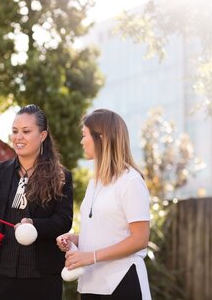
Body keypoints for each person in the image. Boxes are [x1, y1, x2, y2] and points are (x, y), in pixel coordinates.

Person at [0, 104, 73, 300]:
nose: (18, 137)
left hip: (42, 276)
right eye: (15, 131)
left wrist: (34, 224)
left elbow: (63, 221)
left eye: (26, 131)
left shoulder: (61, 176)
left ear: (42, 135)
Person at [56, 108, 151, 300]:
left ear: (101, 138)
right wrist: (77, 239)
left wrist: (90, 257)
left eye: (85, 135)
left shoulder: (131, 181)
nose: (82, 141)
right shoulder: (94, 183)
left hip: (123, 282)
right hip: (91, 285)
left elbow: (139, 239)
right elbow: (108, 231)